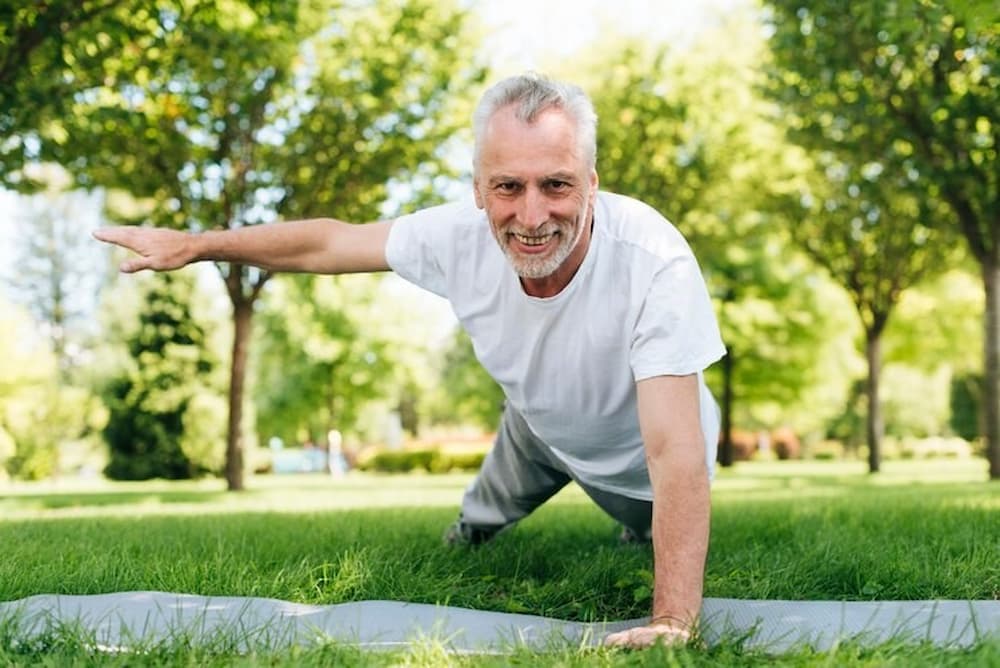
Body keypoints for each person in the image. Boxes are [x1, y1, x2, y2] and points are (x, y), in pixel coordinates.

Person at [94, 73, 726, 649]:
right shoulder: (453, 236)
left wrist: (672, 620)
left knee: (643, 525)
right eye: (508, 186)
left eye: (556, 185)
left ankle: (632, 530)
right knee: (479, 516)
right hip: (536, 427)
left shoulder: (652, 259)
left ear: (591, 184)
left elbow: (674, 452)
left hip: (636, 470)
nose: (532, 216)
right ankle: (474, 528)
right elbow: (331, 241)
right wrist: (200, 245)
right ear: (479, 189)